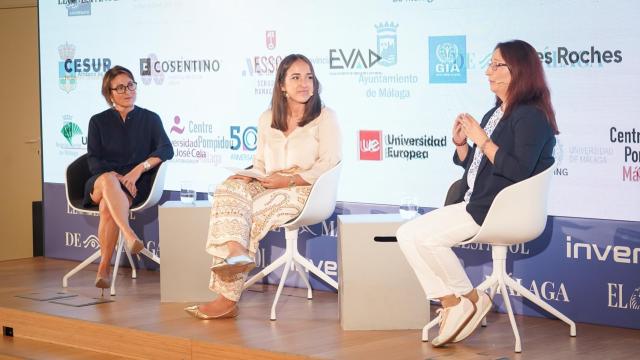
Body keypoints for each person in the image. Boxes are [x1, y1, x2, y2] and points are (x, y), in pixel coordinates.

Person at [396, 40, 558, 347]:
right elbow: (481, 169)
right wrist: (462, 146)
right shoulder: (495, 112)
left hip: (499, 210)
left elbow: (519, 171)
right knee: (407, 234)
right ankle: (456, 301)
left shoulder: (531, 117)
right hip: (477, 201)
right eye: (490, 64)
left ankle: (466, 301)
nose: (488, 71)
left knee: (428, 239)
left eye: (497, 65)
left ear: (519, 71)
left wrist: (482, 140)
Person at [185, 54, 342, 320]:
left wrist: (289, 180)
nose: (304, 83)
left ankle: (227, 299)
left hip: (306, 189)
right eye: (296, 77)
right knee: (227, 189)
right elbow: (260, 162)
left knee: (251, 213)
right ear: (282, 85)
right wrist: (248, 175)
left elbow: (329, 164)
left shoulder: (325, 117)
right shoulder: (267, 117)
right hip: (270, 181)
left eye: (309, 77)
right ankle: (236, 252)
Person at [85, 65, 174, 292]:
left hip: (133, 186)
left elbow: (166, 149)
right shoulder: (98, 121)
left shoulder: (150, 119)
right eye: (121, 88)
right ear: (110, 94)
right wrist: (115, 176)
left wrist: (138, 169)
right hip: (100, 181)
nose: (128, 91)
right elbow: (93, 160)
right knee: (107, 181)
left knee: (108, 206)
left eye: (131, 85)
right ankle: (129, 233)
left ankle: (103, 268)